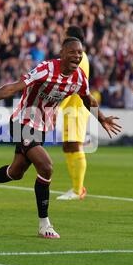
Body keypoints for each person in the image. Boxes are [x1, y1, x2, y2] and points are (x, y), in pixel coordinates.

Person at [0, 37, 122, 238]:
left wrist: (102, 118)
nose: (78, 56)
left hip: (42, 128)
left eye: (80, 53)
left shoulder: (79, 77)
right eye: (73, 52)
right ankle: (44, 225)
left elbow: (87, 99)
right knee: (46, 166)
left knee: (15, 172)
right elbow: (14, 86)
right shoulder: (46, 69)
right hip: (22, 122)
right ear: (62, 53)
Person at [57, 26, 91, 201]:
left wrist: (56, 105)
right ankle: (76, 188)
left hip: (76, 107)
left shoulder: (79, 57)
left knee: (75, 144)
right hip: (70, 107)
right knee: (68, 146)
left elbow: (72, 84)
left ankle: (78, 190)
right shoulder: (80, 56)